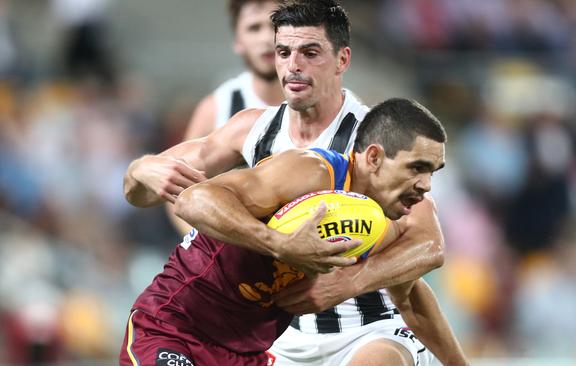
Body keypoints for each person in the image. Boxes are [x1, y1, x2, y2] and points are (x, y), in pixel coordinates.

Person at [123, 1, 467, 365]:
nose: (294, 65)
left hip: (365, 327)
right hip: (278, 335)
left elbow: (428, 243)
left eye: (310, 52)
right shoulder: (252, 128)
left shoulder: (371, 143)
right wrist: (142, 169)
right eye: (284, 53)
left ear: (343, 60)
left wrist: (351, 282)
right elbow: (149, 194)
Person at [166, 0, 285, 234]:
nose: (265, 38)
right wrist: (204, 245)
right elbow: (175, 191)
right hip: (237, 256)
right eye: (254, 28)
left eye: (275, 26)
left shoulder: (328, 101)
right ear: (238, 43)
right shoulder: (216, 107)